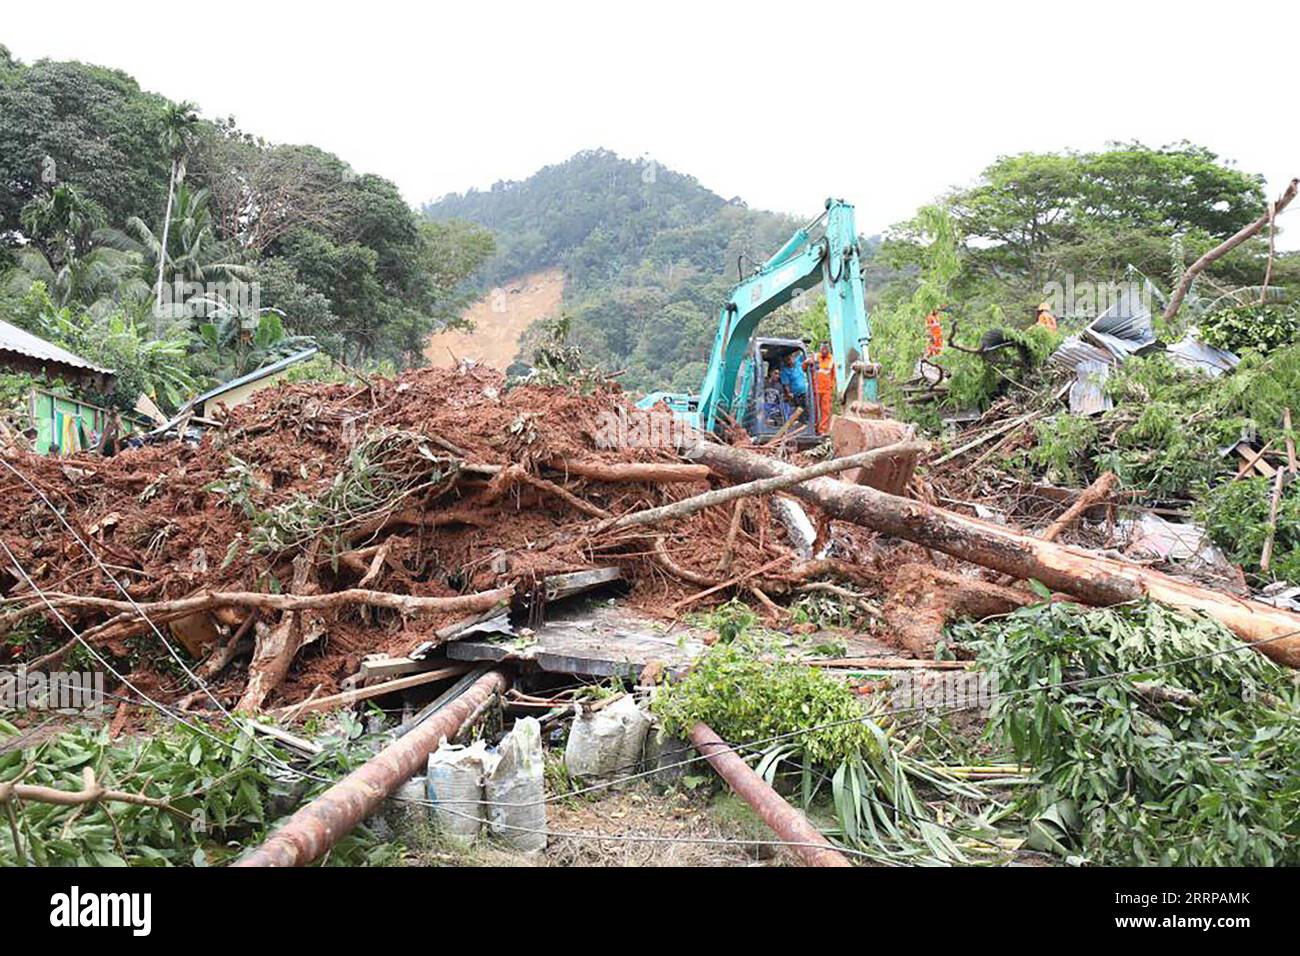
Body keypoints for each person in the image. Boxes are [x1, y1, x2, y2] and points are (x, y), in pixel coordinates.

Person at [812, 341, 836, 435]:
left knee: (825, 410)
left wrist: (831, 387)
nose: (824, 350)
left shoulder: (832, 359)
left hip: (826, 390)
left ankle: (822, 430)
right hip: (815, 388)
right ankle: (814, 428)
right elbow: (805, 367)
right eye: (823, 348)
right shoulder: (815, 357)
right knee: (815, 410)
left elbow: (833, 375)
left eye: (826, 349)